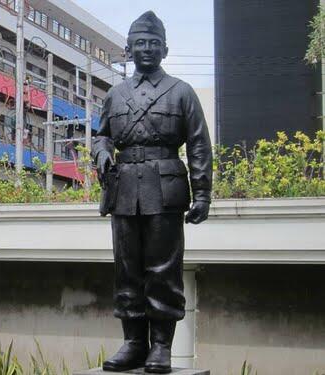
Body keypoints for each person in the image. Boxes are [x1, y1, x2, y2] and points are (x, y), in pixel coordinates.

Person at [92, 10, 213, 374]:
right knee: (127, 270)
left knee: (163, 270)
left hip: (166, 190)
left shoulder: (182, 93)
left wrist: (203, 194)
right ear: (128, 50)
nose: (147, 49)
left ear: (165, 49)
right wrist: (101, 153)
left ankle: (161, 346)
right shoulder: (115, 94)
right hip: (124, 188)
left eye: (154, 43)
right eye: (140, 43)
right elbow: (101, 135)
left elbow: (199, 146)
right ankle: (133, 343)